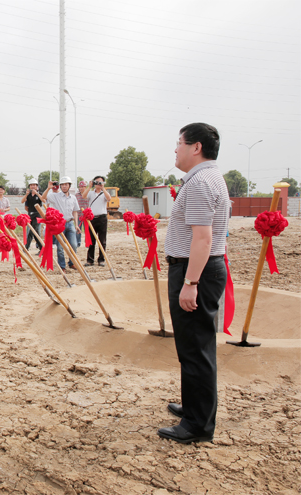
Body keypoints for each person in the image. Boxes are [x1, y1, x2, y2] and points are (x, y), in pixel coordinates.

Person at [158, 123, 230, 444]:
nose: (175, 149)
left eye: (179, 143)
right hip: (196, 267)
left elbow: (203, 238)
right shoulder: (207, 177)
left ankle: (197, 425)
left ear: (195, 147)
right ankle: (193, 408)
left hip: (194, 269)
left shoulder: (200, 182)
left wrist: (190, 282)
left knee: (196, 348)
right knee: (193, 345)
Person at [42, 176, 80, 271]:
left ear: (69, 186)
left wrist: (76, 225)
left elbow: (75, 211)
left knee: (74, 245)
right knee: (60, 248)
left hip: (70, 223)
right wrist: (48, 188)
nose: (64, 186)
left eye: (66, 184)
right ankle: (62, 266)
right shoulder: (55, 196)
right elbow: (43, 198)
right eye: (62, 185)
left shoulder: (73, 198)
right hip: (60, 225)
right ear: (60, 186)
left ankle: (72, 263)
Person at [81, 175, 111, 266]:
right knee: (91, 241)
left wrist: (103, 188)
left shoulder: (104, 193)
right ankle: (90, 260)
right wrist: (89, 186)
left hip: (102, 218)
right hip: (92, 218)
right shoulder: (91, 193)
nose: (98, 184)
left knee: (102, 241)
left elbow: (109, 199)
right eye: (96, 182)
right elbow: (84, 196)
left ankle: (101, 260)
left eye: (100, 182)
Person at [22, 178, 43, 251]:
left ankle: (26, 248)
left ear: (37, 186)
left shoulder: (39, 194)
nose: (33, 186)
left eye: (34, 185)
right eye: (31, 185)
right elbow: (23, 202)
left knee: (32, 231)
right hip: (30, 215)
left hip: (37, 215)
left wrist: (37, 193)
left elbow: (43, 200)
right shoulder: (28, 195)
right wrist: (26, 194)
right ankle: (42, 248)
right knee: (35, 232)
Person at [76, 180, 90, 247]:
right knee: (78, 229)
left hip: (86, 215)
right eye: (80, 187)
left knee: (87, 230)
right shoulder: (76, 195)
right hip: (79, 215)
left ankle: (87, 243)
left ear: (85, 187)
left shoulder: (89, 194)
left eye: (83, 187)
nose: (81, 188)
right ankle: (77, 243)